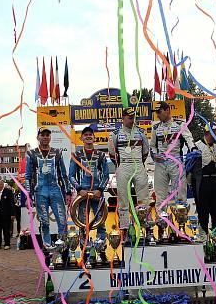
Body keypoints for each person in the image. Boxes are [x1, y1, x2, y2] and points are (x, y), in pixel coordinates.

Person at [109, 108, 150, 243]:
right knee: (123, 201)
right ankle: (125, 232)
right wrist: (121, 165)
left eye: (133, 118)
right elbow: (112, 153)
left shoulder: (141, 133)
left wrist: (138, 163)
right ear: (123, 118)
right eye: (129, 118)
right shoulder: (115, 134)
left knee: (143, 200)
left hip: (138, 164)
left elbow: (145, 151)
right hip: (124, 166)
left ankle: (145, 230)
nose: (132, 120)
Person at [25, 127, 69, 247]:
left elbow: (63, 174)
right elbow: (27, 176)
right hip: (40, 192)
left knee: (62, 220)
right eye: (42, 135)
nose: (45, 137)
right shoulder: (31, 153)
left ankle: (62, 246)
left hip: (56, 190)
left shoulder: (57, 152)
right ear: (38, 137)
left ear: (50, 137)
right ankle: (47, 247)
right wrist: (28, 196)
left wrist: (68, 191)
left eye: (47, 135)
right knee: (44, 222)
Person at [150, 101, 195, 205]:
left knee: (180, 196)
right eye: (156, 113)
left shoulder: (180, 124)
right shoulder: (155, 128)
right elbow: (152, 146)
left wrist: (193, 149)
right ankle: (162, 220)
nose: (157, 115)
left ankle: (181, 220)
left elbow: (189, 139)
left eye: (159, 112)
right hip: (161, 164)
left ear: (167, 110)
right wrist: (155, 155)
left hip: (176, 162)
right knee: (160, 197)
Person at [69, 126, 109, 243]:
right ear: (81, 138)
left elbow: (105, 175)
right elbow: (71, 175)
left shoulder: (101, 155)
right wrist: (79, 189)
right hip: (83, 194)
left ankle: (101, 245)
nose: (88, 136)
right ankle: (84, 246)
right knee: (82, 220)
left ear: (94, 138)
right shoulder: (76, 155)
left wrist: (100, 190)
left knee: (100, 220)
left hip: (97, 193)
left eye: (90, 134)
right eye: (85, 135)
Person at [0, 181, 16, 250]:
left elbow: (12, 203)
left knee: (6, 230)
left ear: (2, 185)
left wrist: (12, 214)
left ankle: (7, 244)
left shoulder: (8, 192)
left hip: (6, 214)